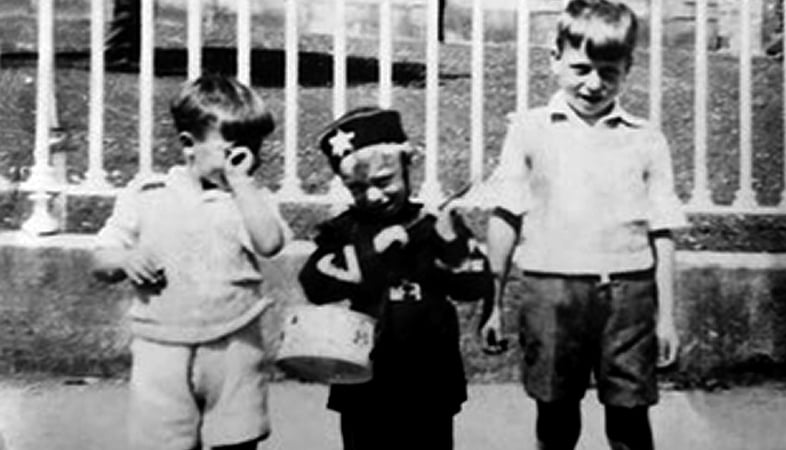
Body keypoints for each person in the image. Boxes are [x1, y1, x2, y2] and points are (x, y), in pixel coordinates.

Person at [482, 1, 688, 449]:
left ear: (627, 68)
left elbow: (663, 233)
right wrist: (493, 301)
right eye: (581, 68)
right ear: (554, 59)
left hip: (628, 295)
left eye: (609, 72)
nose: (594, 83)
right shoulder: (529, 130)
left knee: (630, 417)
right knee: (555, 414)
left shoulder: (646, 138)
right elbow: (505, 218)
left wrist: (666, 318)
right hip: (550, 293)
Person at [92, 74, 291, 450]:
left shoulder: (249, 199)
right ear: (189, 144)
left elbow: (269, 243)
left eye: (256, 150)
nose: (248, 161)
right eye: (233, 151)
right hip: (161, 346)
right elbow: (101, 258)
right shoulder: (147, 194)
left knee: (237, 438)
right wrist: (125, 258)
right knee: (162, 441)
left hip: (234, 342)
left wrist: (242, 184)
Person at [298, 106, 495, 450]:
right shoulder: (344, 229)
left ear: (407, 168)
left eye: (384, 181)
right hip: (365, 378)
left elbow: (474, 285)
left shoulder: (435, 225)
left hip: (430, 378)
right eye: (358, 187)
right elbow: (315, 284)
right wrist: (371, 252)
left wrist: (452, 244)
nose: (373, 195)